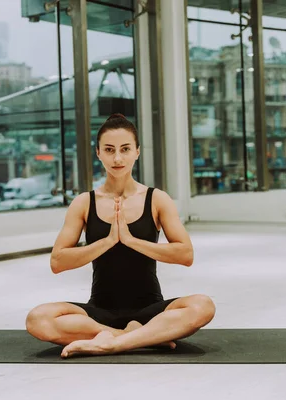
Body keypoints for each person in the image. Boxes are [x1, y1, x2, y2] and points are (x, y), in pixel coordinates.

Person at [25, 114, 216, 358]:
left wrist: (131, 241)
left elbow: (185, 254)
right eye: (109, 150)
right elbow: (58, 262)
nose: (117, 158)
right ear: (98, 153)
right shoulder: (84, 203)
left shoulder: (156, 199)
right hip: (100, 312)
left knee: (203, 305)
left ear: (137, 152)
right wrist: (107, 241)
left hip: (151, 310)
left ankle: (112, 343)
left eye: (125, 149)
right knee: (38, 319)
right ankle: (140, 336)